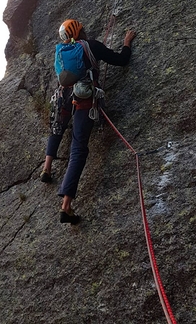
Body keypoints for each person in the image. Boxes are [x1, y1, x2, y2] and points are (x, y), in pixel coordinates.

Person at [40, 18, 136, 224]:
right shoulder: (92, 46)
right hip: (83, 100)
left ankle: (47, 167)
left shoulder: (61, 51)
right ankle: (66, 206)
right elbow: (121, 60)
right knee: (78, 149)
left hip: (64, 95)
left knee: (58, 127)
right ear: (81, 31)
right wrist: (127, 42)